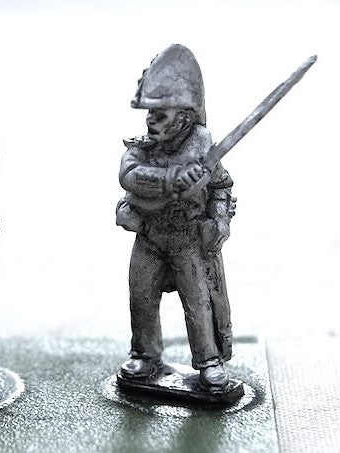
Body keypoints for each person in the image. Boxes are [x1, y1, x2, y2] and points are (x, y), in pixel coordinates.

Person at [116, 44, 235, 391]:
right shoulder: (142, 148)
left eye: (160, 115)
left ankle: (209, 361)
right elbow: (129, 175)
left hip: (187, 239)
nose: (151, 121)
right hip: (150, 236)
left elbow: (222, 186)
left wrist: (220, 221)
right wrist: (171, 178)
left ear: (183, 117)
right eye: (150, 114)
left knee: (198, 303)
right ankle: (145, 355)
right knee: (141, 296)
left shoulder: (204, 151)